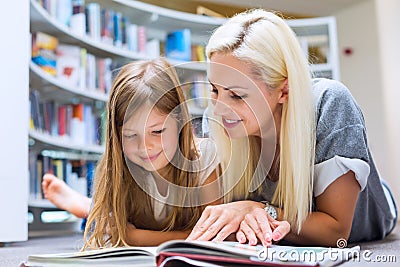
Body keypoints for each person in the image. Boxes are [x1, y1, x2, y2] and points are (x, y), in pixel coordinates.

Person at [187, 9, 397, 247]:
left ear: (284, 91)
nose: (219, 108)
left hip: (370, 213)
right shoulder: (213, 120)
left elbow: (336, 231)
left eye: (236, 95)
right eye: (214, 90)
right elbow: (218, 223)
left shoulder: (330, 103)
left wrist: (258, 209)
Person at [42, 58, 222, 249]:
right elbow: (113, 234)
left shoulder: (205, 159)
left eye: (157, 131)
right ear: (117, 136)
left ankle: (86, 207)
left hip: (141, 230)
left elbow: (211, 237)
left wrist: (135, 237)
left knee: (102, 219)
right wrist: (125, 233)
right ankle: (89, 208)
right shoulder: (117, 164)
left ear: (180, 123)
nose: (145, 147)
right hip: (115, 218)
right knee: (102, 223)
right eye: (130, 135)